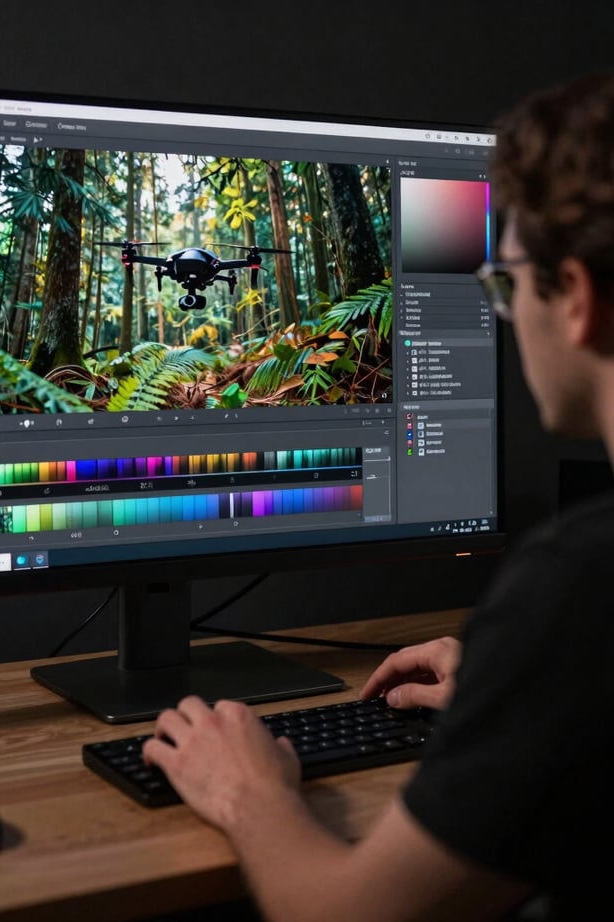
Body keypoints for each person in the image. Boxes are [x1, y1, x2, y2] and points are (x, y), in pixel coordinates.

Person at [143, 71, 614, 922]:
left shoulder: (583, 582)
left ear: (575, 299)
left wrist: (245, 790)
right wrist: (531, 691)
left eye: (505, 289)